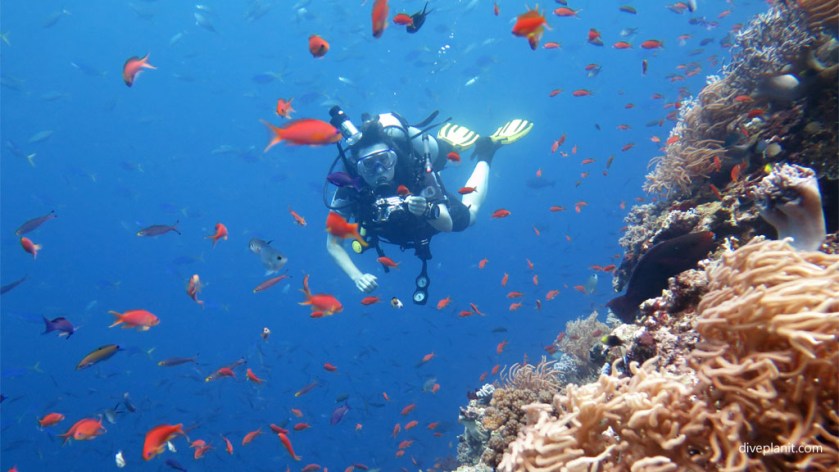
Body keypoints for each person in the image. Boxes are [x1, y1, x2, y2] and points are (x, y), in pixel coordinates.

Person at [324, 108, 532, 304]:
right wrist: (356, 277)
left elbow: (447, 224)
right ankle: (447, 149)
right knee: (439, 160)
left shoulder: (412, 169)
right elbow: (333, 244)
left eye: (384, 160)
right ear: (358, 169)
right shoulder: (348, 187)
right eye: (369, 164)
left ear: (394, 157)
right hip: (404, 225)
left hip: (425, 200)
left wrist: (427, 210)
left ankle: (486, 150)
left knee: (469, 215)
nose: (380, 170)